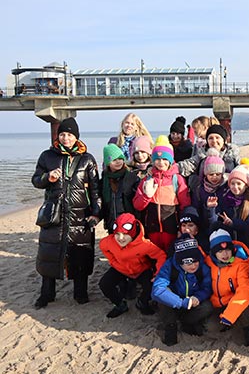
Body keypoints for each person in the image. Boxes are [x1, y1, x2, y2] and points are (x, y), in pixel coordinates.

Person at [32, 117, 101, 308]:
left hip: (81, 215)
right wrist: (48, 177)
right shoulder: (47, 156)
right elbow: (36, 180)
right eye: (62, 134)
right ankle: (47, 294)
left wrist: (96, 213)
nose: (65, 138)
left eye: (69, 134)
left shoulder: (87, 159)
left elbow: (95, 189)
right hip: (54, 214)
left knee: (81, 255)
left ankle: (80, 293)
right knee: (49, 253)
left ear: (76, 137)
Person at [99, 213, 166, 318]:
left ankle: (142, 302)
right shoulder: (108, 242)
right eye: (117, 234)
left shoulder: (145, 245)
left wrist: (158, 273)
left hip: (141, 269)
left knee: (151, 286)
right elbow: (103, 248)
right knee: (104, 284)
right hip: (121, 268)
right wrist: (113, 262)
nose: (121, 238)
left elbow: (161, 256)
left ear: (133, 232)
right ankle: (120, 304)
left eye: (125, 234)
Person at [152, 234, 214, 346]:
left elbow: (207, 286)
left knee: (207, 306)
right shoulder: (170, 265)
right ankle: (170, 326)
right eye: (188, 263)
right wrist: (180, 302)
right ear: (180, 261)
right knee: (163, 297)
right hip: (174, 302)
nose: (193, 266)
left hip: (192, 302)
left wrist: (198, 297)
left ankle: (187, 323)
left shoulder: (202, 266)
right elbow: (157, 289)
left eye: (196, 261)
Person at [133, 136, 191, 252]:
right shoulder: (147, 179)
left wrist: (182, 227)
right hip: (152, 229)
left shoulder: (177, 179)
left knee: (170, 255)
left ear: (170, 160)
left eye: (165, 159)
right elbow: (137, 205)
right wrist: (146, 196)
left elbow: (185, 205)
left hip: (171, 229)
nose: (161, 163)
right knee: (155, 257)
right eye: (157, 159)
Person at [204, 229, 249, 346]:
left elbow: (245, 290)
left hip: (235, 303)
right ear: (213, 252)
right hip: (217, 304)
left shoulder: (240, 264)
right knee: (211, 327)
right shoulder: (208, 262)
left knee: (243, 334)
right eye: (220, 251)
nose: (225, 254)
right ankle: (228, 324)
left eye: (227, 250)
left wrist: (230, 314)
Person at [190, 149, 229, 250]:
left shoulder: (227, 187)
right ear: (205, 174)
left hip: (225, 226)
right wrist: (207, 208)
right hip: (205, 228)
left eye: (218, 174)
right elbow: (196, 209)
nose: (214, 177)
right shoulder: (200, 190)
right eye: (211, 174)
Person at [100, 144, 133, 234]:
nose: (118, 162)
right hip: (111, 220)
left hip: (127, 220)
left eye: (120, 158)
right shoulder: (105, 178)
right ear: (108, 162)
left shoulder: (130, 176)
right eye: (114, 160)